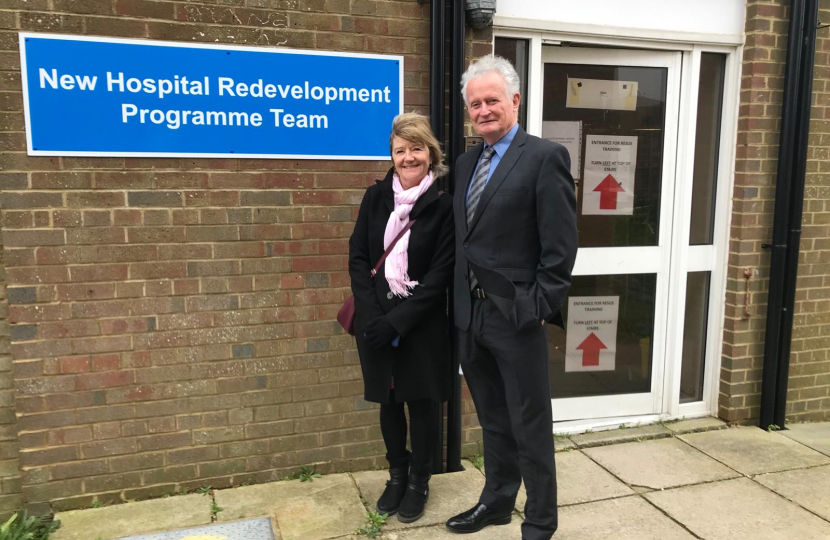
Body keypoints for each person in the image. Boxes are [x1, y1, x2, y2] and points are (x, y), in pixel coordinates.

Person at [445, 55, 578, 540]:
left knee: (530, 425)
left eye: (492, 100)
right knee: (494, 420)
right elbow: (464, 240)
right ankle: (498, 502)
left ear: (515, 101)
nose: (483, 110)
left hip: (517, 318)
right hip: (471, 316)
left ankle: (540, 521)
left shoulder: (544, 157)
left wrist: (537, 308)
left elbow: (560, 248)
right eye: (475, 103)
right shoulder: (464, 163)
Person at [348, 112, 454, 523]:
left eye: (416, 148)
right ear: (391, 155)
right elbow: (358, 258)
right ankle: (396, 475)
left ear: (430, 153)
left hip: (420, 325)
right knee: (388, 402)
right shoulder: (375, 198)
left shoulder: (443, 206)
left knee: (421, 403)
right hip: (375, 321)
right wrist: (376, 316)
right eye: (400, 150)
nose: (408, 157)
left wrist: (399, 320)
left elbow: (441, 274)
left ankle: (419, 481)